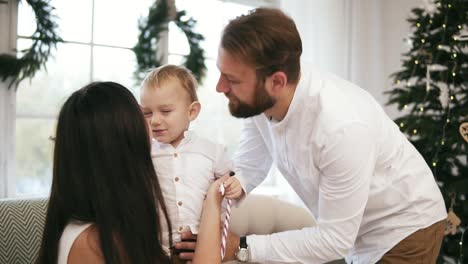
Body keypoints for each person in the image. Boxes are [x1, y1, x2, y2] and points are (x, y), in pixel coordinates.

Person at [178, 7, 447, 264]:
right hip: (355, 233)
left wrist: (243, 247)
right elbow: (249, 166)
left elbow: (334, 240)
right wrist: (208, 210)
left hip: (405, 228)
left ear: (277, 82)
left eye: (232, 80)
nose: (219, 87)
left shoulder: (341, 127)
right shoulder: (262, 100)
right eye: (221, 73)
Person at [36, 81, 227, 264]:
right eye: (143, 114)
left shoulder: (115, 225)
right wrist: (212, 202)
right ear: (123, 143)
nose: (152, 124)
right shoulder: (94, 243)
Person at [139, 65, 244, 262]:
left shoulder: (212, 152)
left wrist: (236, 185)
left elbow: (233, 183)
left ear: (192, 111)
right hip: (155, 252)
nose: (154, 121)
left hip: (204, 247)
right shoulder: (144, 154)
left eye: (165, 111)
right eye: (147, 113)